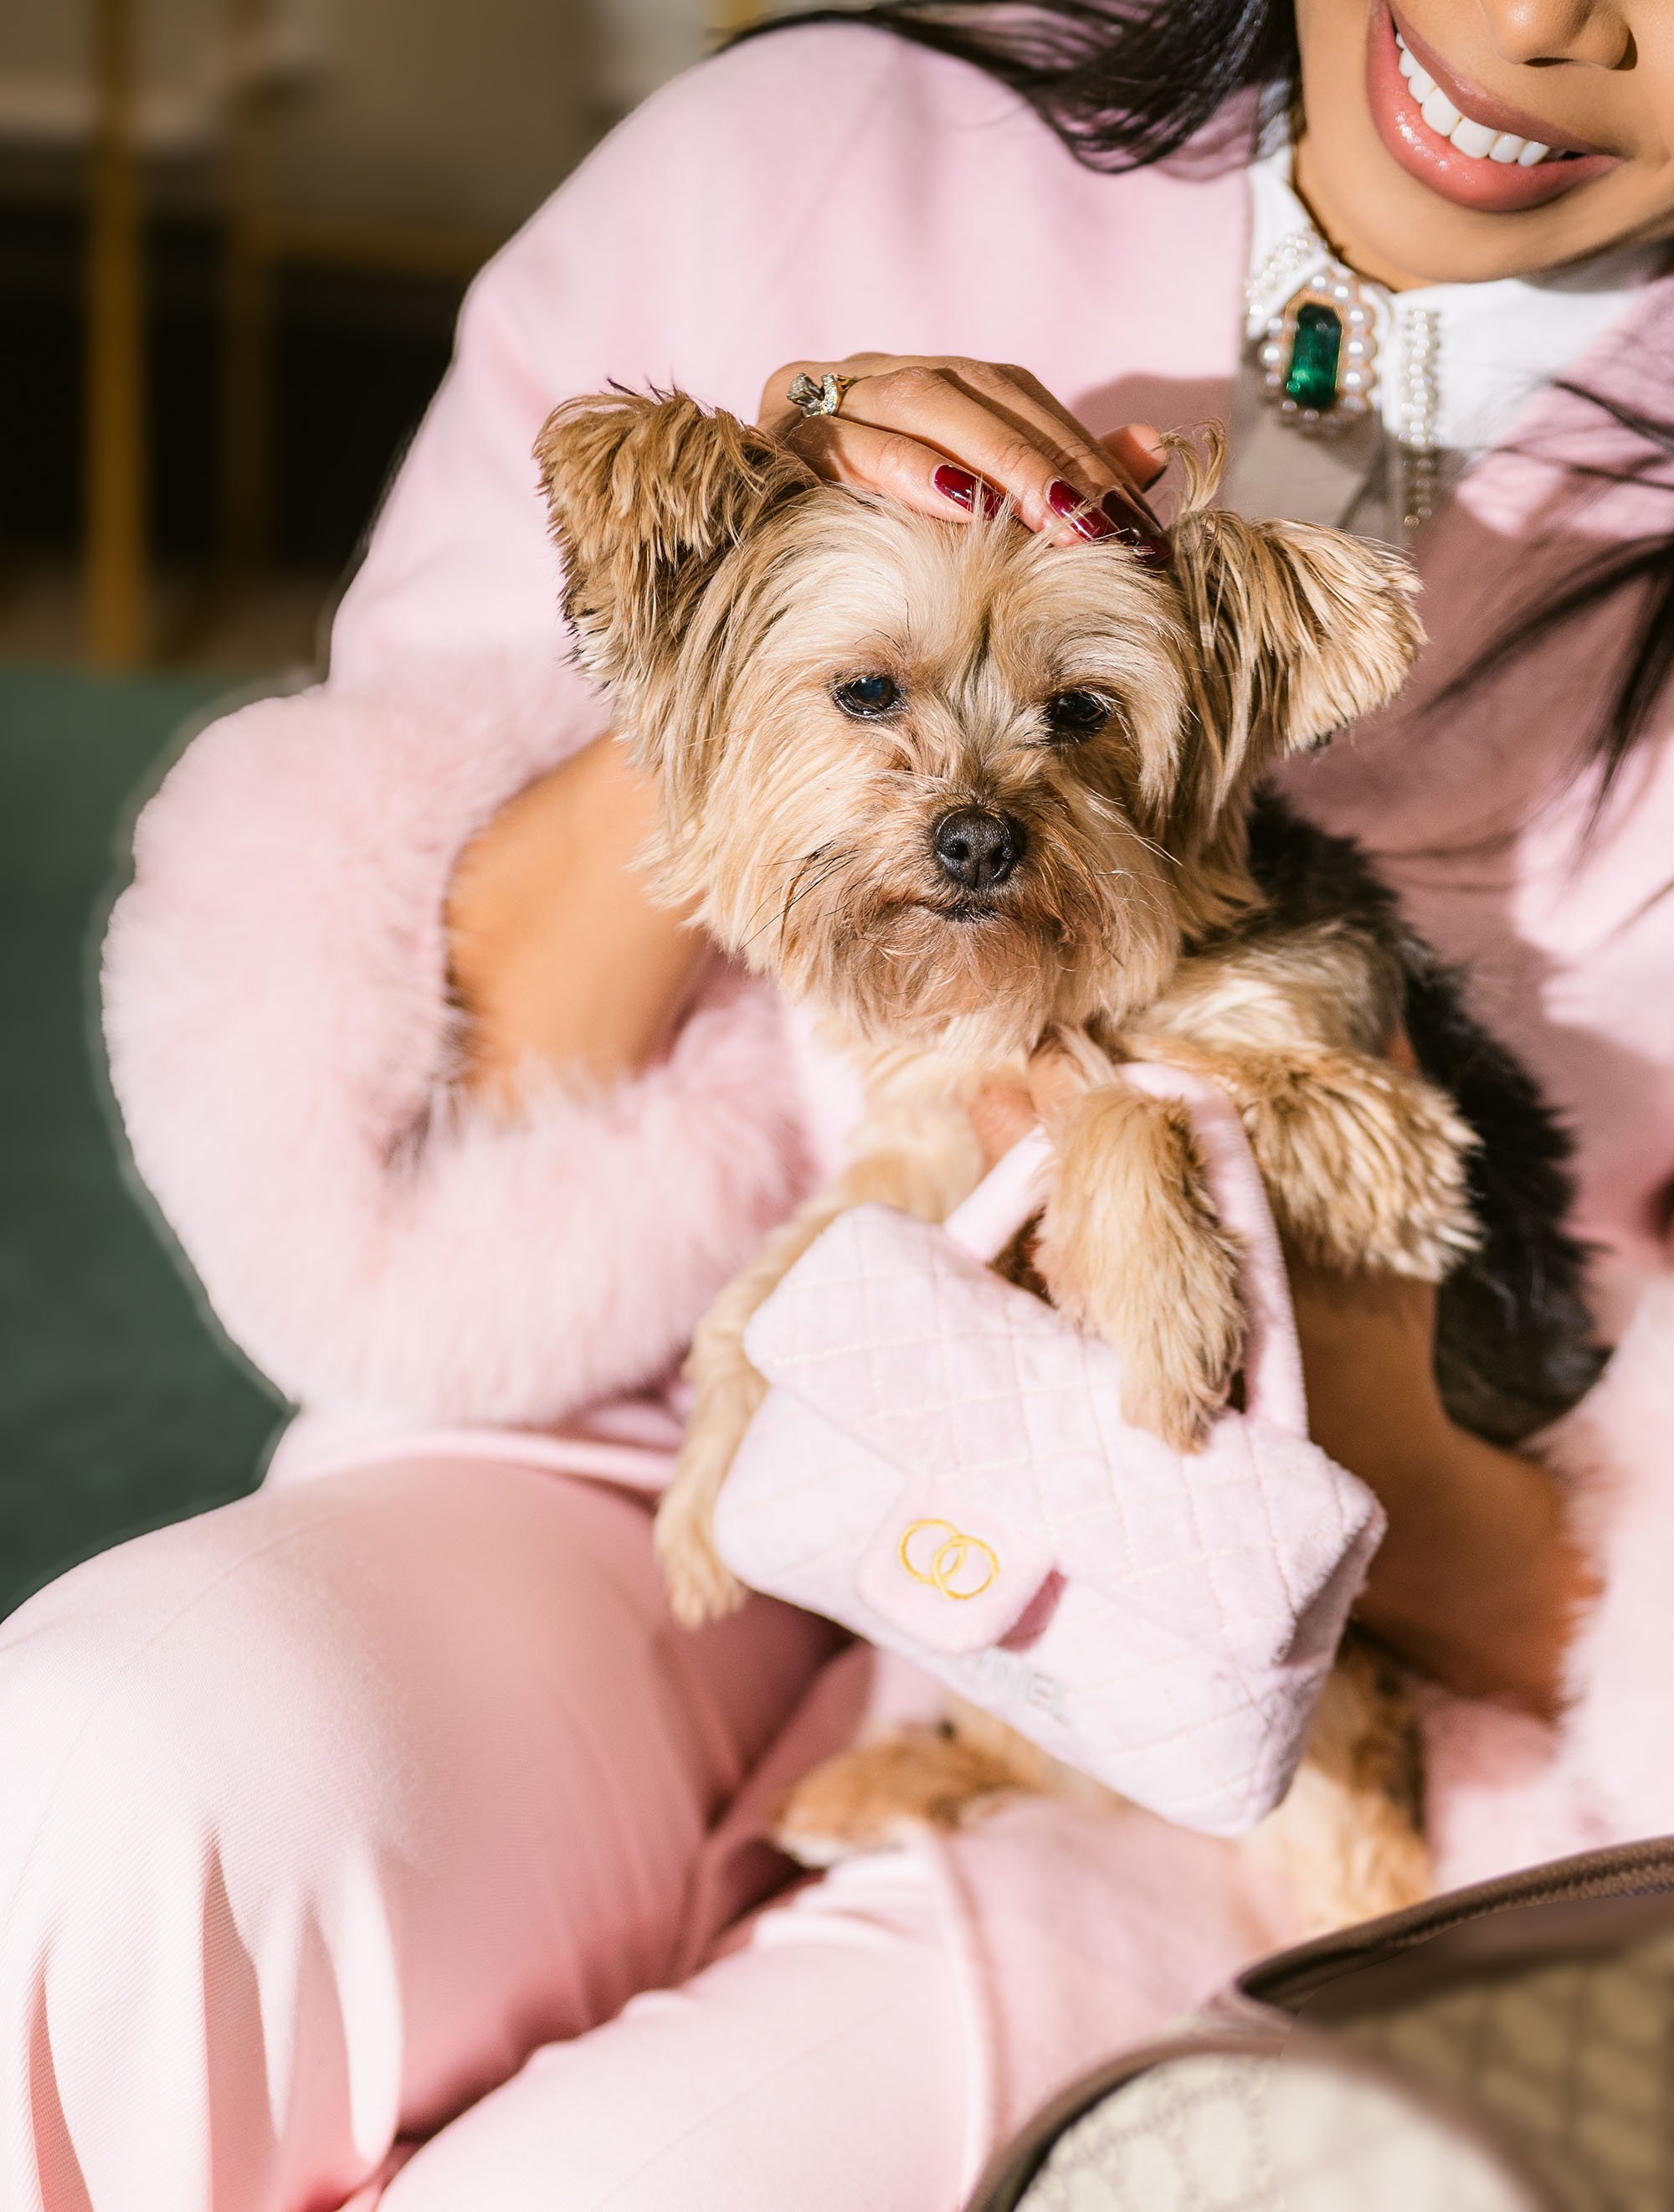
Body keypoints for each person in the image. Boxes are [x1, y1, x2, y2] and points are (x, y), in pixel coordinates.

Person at [4, 0, 1673, 2204]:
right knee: (112, 1775)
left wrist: (1254, 1368)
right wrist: (732, 618)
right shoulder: (810, 165)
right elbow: (388, 1193)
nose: (1540, 18)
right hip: (638, 1472)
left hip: (1322, 1713)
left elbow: (1598, 1651)